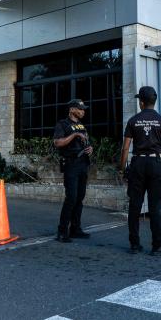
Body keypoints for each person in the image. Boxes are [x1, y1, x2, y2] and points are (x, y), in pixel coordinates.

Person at [119, 86, 161, 255]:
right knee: (155, 207)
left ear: (142, 102)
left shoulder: (133, 121)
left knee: (135, 206)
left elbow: (125, 149)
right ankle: (157, 246)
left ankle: (134, 245)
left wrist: (122, 169)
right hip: (156, 164)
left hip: (137, 164)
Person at [53, 99, 93, 243]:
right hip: (71, 164)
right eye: (80, 109)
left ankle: (75, 229)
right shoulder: (62, 124)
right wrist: (75, 135)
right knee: (71, 198)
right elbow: (58, 143)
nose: (83, 111)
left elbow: (87, 141)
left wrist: (90, 148)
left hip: (83, 163)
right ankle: (62, 231)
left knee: (80, 198)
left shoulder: (82, 126)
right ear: (71, 110)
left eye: (83, 109)